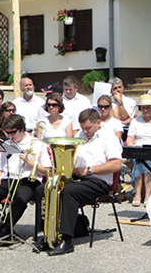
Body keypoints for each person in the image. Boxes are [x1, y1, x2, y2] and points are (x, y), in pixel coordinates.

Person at [43, 109, 122, 255]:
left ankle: (66, 241)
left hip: (99, 182)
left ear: (98, 123)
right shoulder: (79, 135)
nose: (85, 131)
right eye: (83, 128)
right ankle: (47, 236)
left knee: (69, 192)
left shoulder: (108, 137)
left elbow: (117, 164)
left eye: (88, 128)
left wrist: (89, 170)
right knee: (46, 189)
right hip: (80, 178)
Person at [0, 115, 51, 246]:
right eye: (8, 132)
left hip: (28, 180)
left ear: (22, 129)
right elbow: (0, 167)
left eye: (13, 132)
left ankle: (1, 233)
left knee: (21, 199)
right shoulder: (7, 144)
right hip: (8, 179)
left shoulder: (37, 144)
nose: (10, 136)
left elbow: (47, 170)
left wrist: (29, 161)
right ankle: (5, 231)